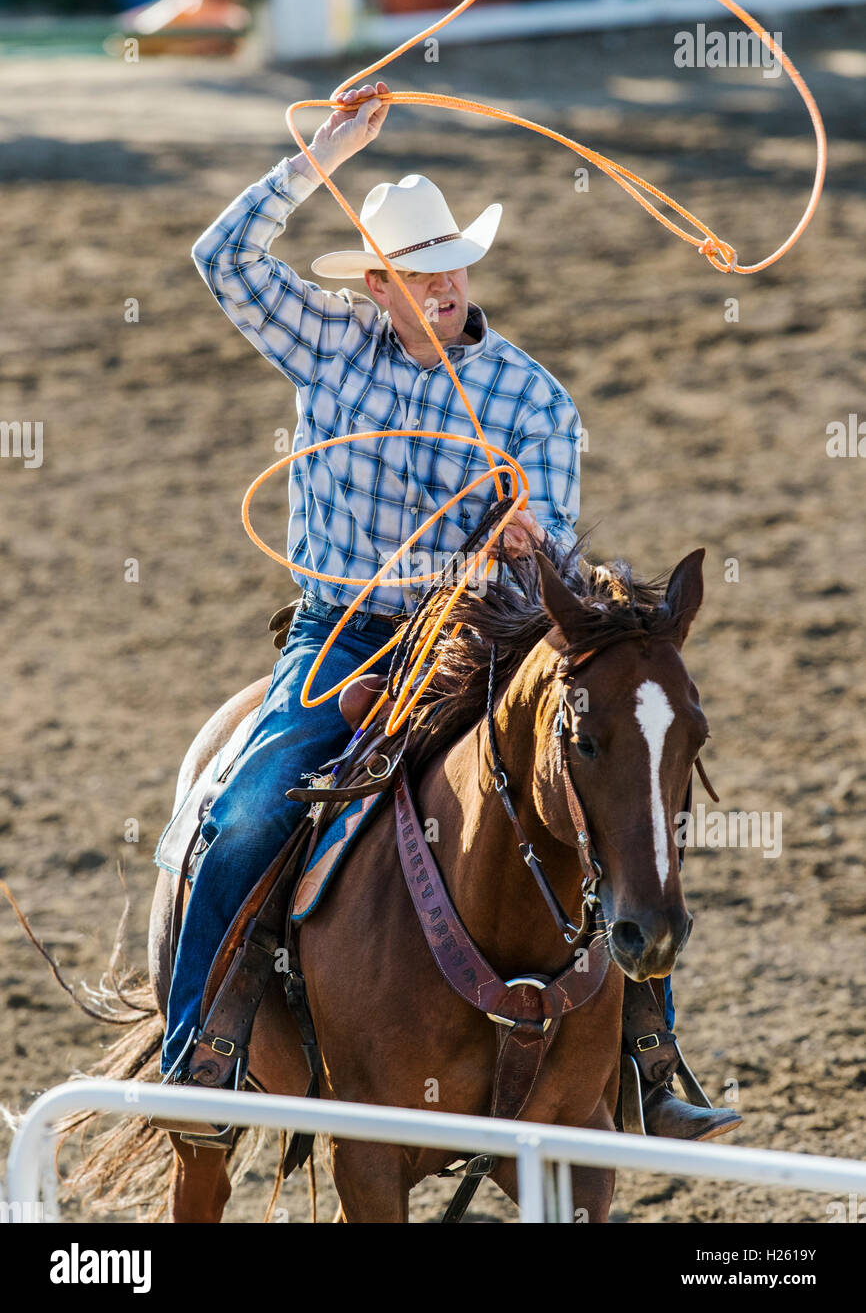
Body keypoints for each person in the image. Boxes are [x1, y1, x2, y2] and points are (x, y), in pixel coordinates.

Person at [153, 82, 740, 1145]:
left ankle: (647, 1053)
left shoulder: (530, 399)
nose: (438, 288)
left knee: (601, 792)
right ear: (374, 283)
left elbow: (549, 546)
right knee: (245, 814)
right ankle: (202, 1047)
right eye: (413, 274)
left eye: (449, 267)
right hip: (341, 633)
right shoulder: (323, 342)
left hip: (482, 633)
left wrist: (524, 543)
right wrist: (315, 158)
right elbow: (220, 261)